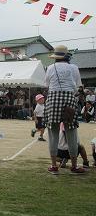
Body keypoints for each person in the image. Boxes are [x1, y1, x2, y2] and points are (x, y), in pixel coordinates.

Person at [44, 45, 85, 174]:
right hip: (69, 99)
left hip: (53, 98)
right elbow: (78, 86)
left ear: (55, 57)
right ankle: (74, 166)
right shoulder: (74, 68)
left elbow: (47, 85)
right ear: (67, 56)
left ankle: (53, 166)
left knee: (53, 132)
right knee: (71, 132)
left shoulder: (50, 67)